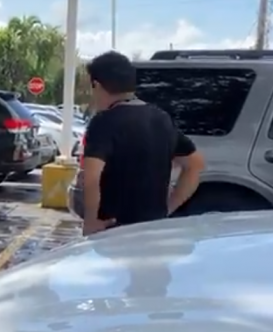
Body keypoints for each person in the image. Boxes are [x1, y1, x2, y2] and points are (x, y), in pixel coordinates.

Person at [81, 51, 205, 236]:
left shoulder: (103, 122)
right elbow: (195, 164)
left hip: (113, 231)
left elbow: (91, 177)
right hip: (152, 229)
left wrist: (91, 222)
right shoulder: (161, 118)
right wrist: (167, 208)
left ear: (97, 85)